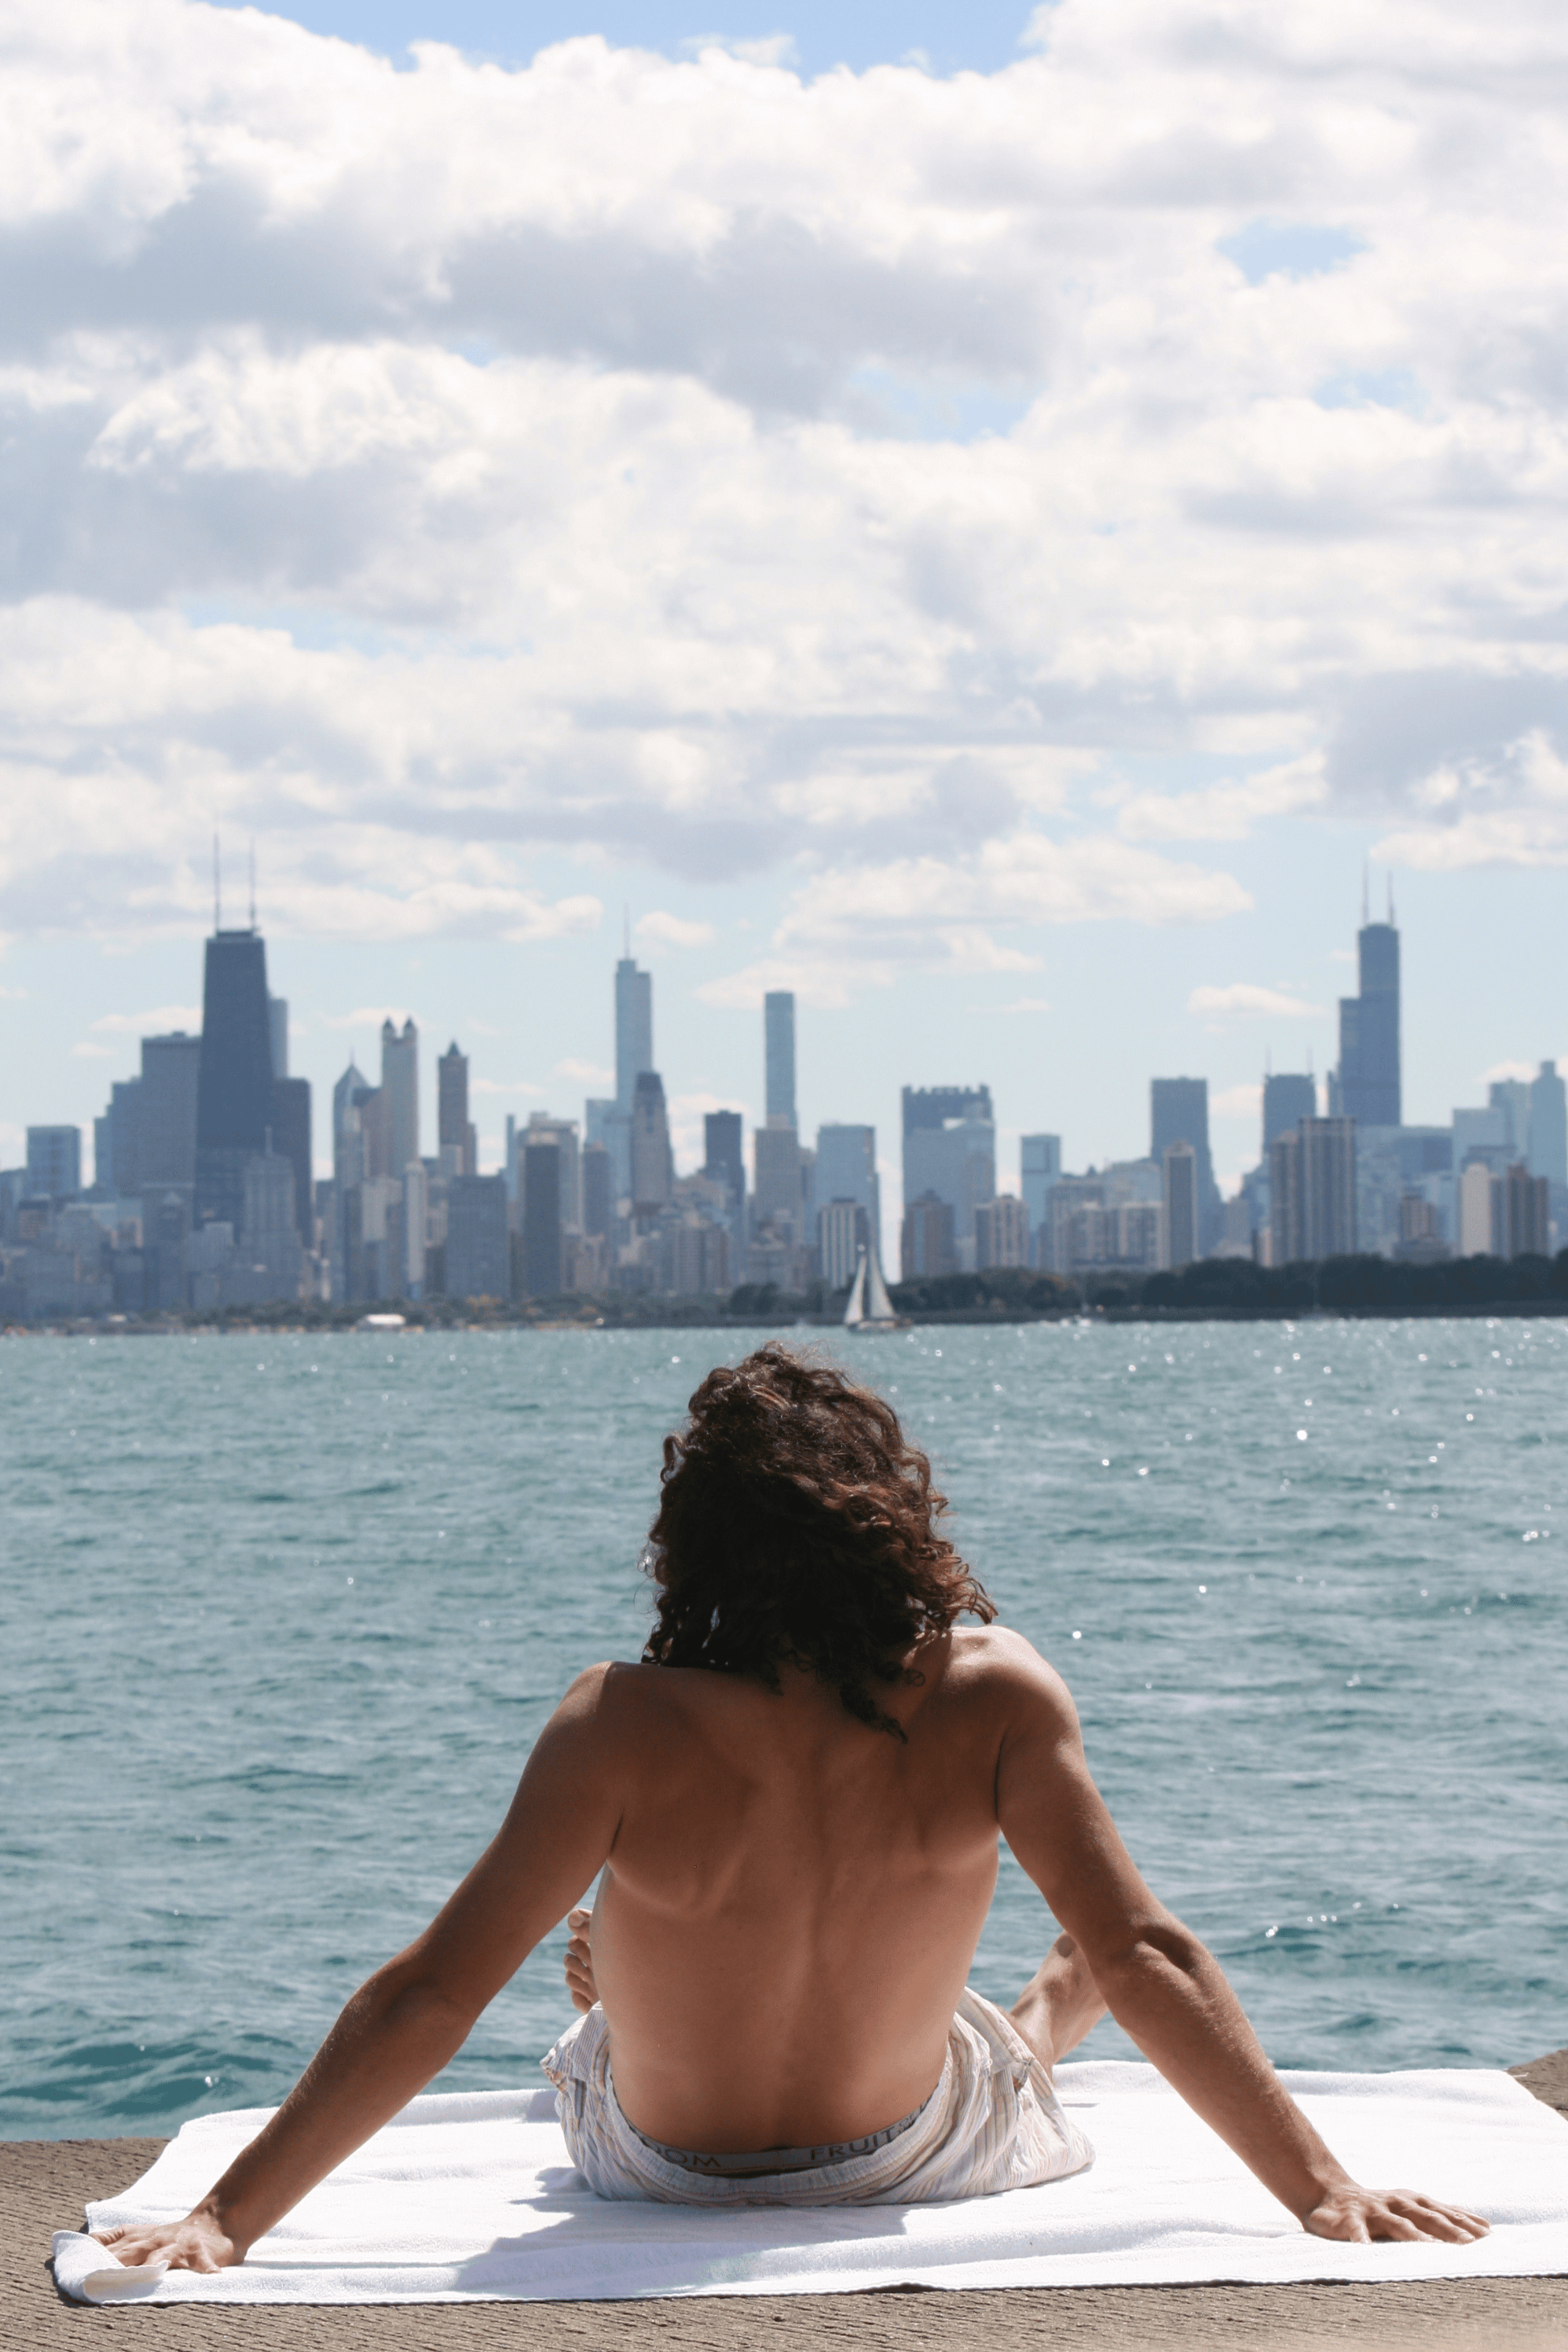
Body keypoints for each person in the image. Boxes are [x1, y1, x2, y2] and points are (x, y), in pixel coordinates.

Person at [97, 1345, 1487, 2268]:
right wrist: (1319, 2188)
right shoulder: (996, 1691)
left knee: (603, 1955)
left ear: (689, 1547)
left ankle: (633, 1983)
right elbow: (1147, 1950)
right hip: (916, 2153)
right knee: (1043, 2006)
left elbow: (432, 1990)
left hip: (653, 2164)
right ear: (893, 1516)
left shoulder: (616, 1720)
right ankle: (1036, 2014)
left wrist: (228, 2216)